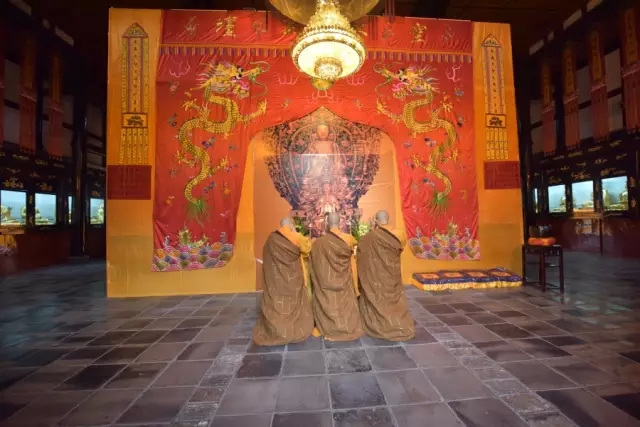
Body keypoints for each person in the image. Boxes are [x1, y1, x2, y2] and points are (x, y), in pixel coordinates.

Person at [252, 217, 314, 346]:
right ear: (291, 225)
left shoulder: (271, 238)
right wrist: (298, 234)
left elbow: (267, 256)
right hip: (293, 277)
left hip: (277, 279)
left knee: (278, 301)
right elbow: (307, 249)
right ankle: (295, 327)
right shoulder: (297, 237)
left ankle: (277, 329)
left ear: (280, 226)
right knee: (294, 300)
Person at [357, 210, 415, 341]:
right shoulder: (399, 235)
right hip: (391, 276)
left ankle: (379, 323)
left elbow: (362, 254)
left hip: (376, 277)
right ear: (388, 220)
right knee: (394, 299)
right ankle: (398, 322)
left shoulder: (368, 238)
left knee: (375, 294)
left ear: (376, 221)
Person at [310, 212, 363, 341]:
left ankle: (329, 326)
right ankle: (346, 325)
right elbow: (354, 248)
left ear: (327, 224)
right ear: (339, 223)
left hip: (326, 281)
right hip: (343, 280)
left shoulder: (318, 243)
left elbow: (314, 262)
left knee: (327, 298)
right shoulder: (349, 239)